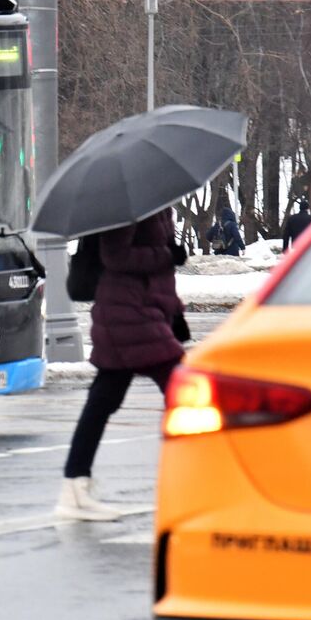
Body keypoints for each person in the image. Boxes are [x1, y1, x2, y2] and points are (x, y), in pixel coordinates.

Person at [57, 208, 188, 521]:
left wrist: (175, 312)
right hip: (128, 315)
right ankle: (208, 480)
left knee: (103, 401)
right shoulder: (131, 208)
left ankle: (74, 487)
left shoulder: (157, 204)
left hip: (142, 314)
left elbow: (159, 278)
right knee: (187, 392)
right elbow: (115, 257)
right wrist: (166, 255)